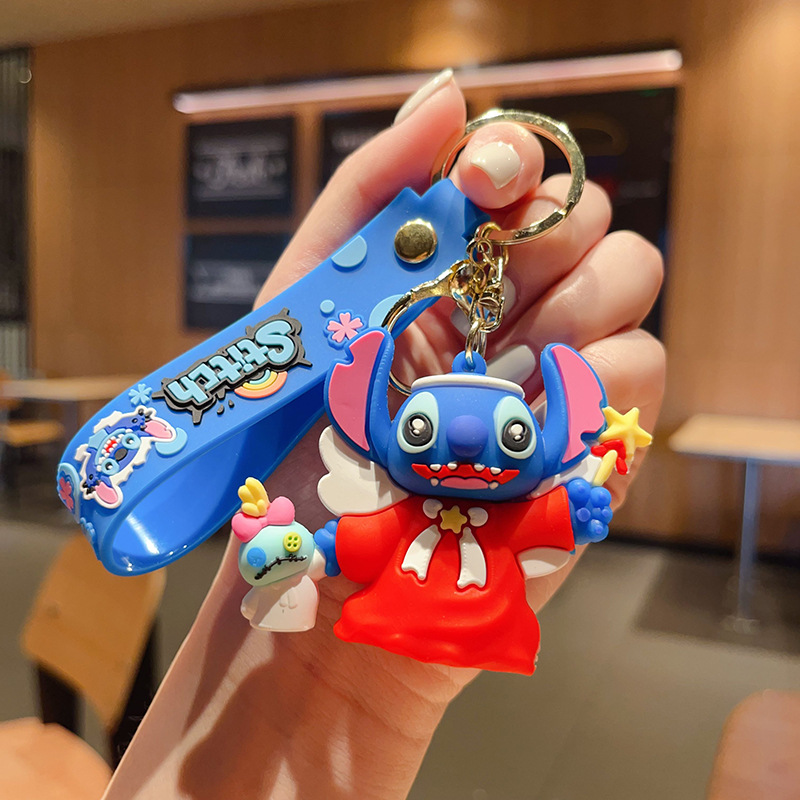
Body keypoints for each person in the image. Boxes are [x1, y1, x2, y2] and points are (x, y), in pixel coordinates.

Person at [102, 69, 665, 799]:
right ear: (389, 427)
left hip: (477, 627)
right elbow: (351, 543)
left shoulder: (475, 506)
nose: (468, 446)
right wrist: (313, 554)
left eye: (511, 438)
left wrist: (580, 503)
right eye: (424, 429)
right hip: (376, 618)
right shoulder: (390, 501)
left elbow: (552, 518)